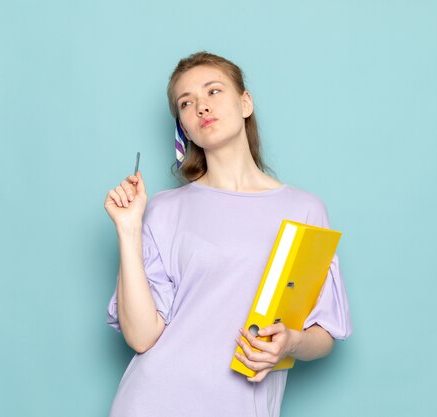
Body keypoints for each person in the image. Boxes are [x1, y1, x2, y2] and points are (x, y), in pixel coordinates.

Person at [103, 51, 352, 417]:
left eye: (214, 91)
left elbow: (325, 333)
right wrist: (128, 229)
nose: (201, 107)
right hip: (151, 402)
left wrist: (291, 342)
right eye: (186, 103)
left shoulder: (305, 209)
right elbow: (141, 337)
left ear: (245, 102)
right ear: (183, 127)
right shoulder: (162, 209)